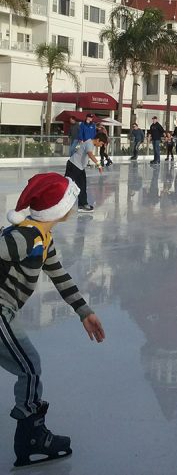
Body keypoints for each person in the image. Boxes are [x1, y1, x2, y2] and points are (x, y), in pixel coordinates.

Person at [0, 173, 105, 467]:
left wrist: (84, 311)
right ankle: (31, 436)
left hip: (6, 311)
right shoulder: (24, 236)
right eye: (69, 199)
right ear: (58, 207)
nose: (73, 204)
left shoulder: (42, 237)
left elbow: (60, 275)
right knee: (30, 367)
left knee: (29, 366)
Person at [64, 132, 106, 212]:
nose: (101, 145)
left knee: (82, 186)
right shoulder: (89, 143)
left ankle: (82, 205)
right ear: (98, 140)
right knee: (67, 185)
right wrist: (98, 165)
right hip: (74, 166)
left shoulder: (90, 143)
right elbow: (90, 154)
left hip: (79, 167)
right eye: (101, 143)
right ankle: (58, 202)